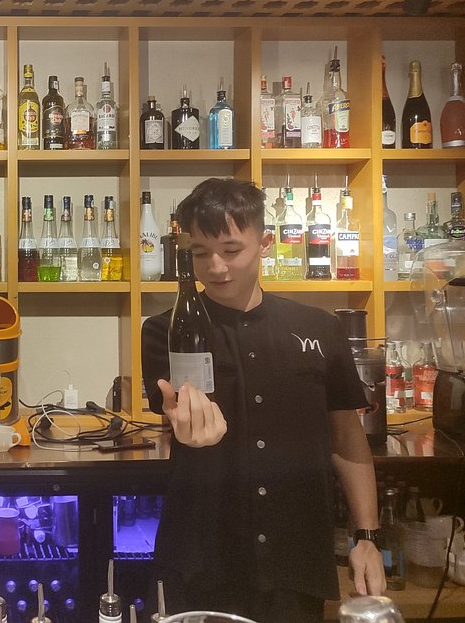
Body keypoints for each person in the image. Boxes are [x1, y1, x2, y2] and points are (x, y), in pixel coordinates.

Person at [141, 178, 385, 623]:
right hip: (203, 555)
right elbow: (173, 413)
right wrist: (187, 427)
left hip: (297, 554)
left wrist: (366, 536)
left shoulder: (319, 329)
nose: (215, 266)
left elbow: (347, 440)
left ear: (265, 243)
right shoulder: (167, 330)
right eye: (200, 252)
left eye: (231, 250)